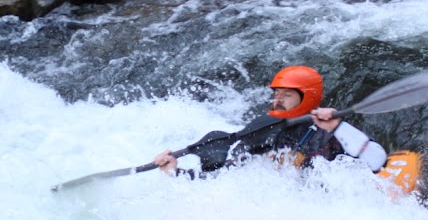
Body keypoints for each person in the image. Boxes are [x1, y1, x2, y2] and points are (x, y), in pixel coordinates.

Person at [153, 65, 389, 178]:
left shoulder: (327, 132)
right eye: (277, 93)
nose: (278, 100)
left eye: (286, 95)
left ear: (307, 96)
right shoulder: (264, 129)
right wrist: (175, 172)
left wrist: (337, 126)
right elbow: (225, 176)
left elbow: (377, 161)